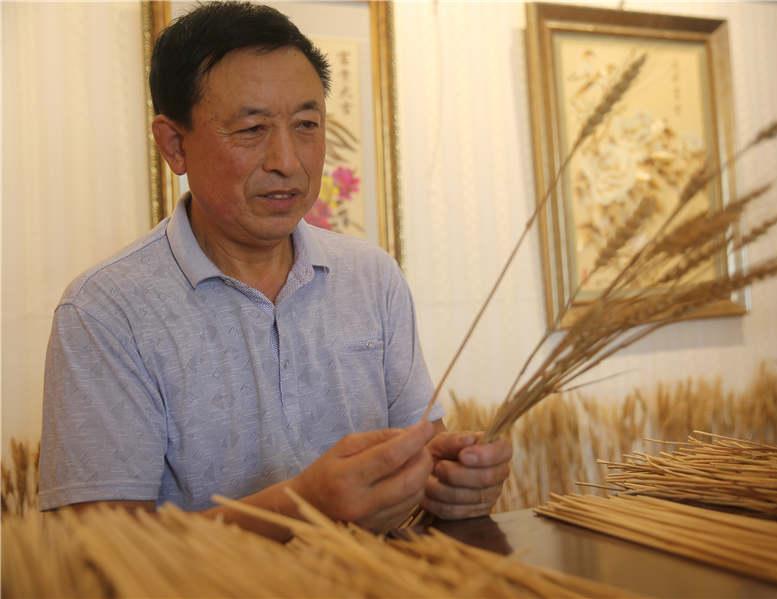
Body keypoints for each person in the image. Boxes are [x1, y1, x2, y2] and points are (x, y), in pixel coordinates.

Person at [38, 1, 511, 540]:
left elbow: (421, 456)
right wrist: (303, 508)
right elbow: (94, 551)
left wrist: (455, 481)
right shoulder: (106, 312)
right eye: (252, 128)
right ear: (174, 144)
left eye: (306, 124)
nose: (287, 159)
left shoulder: (371, 278)